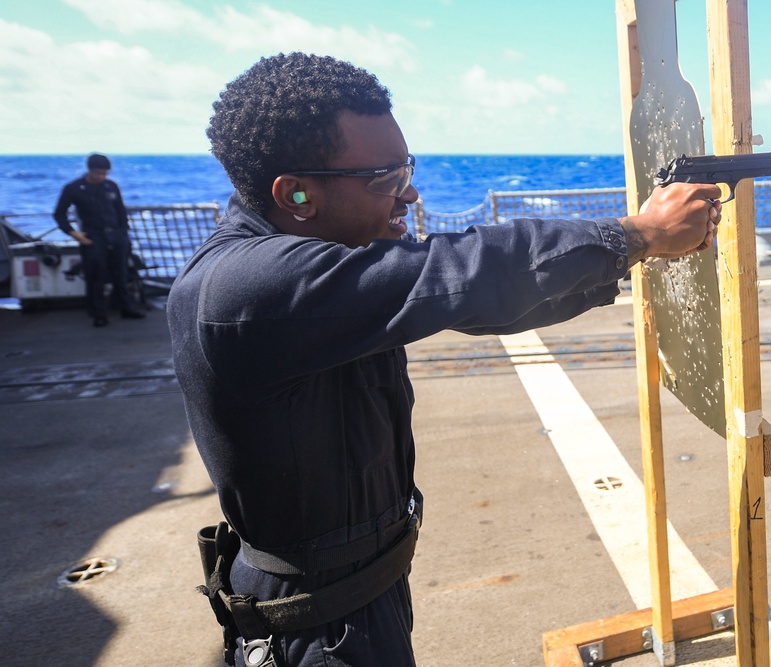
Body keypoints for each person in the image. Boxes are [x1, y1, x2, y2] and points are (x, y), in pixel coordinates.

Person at [167, 52, 721, 667]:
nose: (409, 192)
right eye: (383, 178)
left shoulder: (323, 267)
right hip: (314, 631)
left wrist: (626, 255)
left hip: (355, 600)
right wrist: (633, 234)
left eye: (405, 166)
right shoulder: (244, 289)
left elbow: (481, 302)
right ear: (295, 194)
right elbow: (459, 270)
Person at [53, 153, 145, 326]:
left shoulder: (111, 186)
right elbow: (59, 214)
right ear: (89, 170)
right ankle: (99, 314)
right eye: (98, 173)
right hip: (92, 236)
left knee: (121, 272)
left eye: (104, 173)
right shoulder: (74, 188)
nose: (101, 177)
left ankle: (126, 308)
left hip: (116, 235)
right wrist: (74, 233)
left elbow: (120, 211)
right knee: (96, 275)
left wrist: (124, 233)